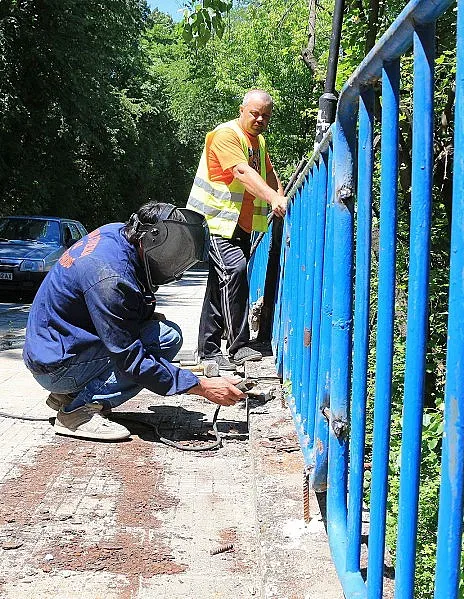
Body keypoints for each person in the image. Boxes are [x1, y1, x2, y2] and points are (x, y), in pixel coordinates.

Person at [23, 202, 246, 441]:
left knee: (160, 332)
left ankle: (69, 394)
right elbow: (131, 359)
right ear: (154, 239)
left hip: (54, 348)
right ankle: (77, 412)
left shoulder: (118, 233)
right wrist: (200, 386)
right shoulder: (110, 277)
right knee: (164, 339)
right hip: (56, 366)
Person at [186, 89, 288, 370]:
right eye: (255, 113)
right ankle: (238, 346)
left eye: (265, 115)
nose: (260, 119)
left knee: (219, 286)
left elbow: (268, 172)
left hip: (239, 225)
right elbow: (241, 172)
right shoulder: (226, 135)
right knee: (234, 271)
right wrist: (273, 199)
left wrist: (281, 197)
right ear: (242, 110)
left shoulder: (258, 142)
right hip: (214, 223)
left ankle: (208, 351)